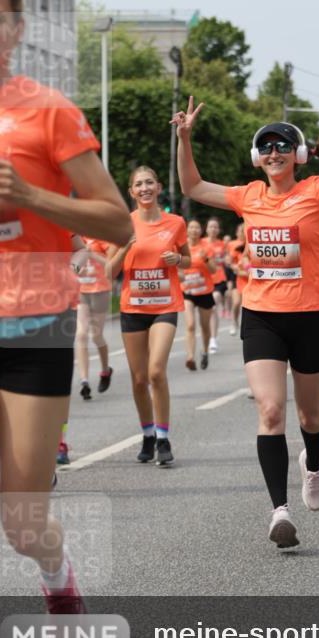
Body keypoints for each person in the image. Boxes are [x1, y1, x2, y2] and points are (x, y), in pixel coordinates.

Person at [0, 0, 132, 638]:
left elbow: (117, 222)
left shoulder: (50, 112)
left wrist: (30, 199)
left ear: (18, 29)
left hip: (35, 326)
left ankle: (56, 573)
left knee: (19, 521)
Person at [173, 79, 319, 549]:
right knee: (270, 411)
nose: (274, 152)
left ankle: (312, 466)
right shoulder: (247, 196)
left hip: (312, 316)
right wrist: (184, 138)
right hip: (263, 317)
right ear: (258, 158)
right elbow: (191, 185)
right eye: (266, 147)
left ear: (298, 155)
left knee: (311, 416)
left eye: (283, 146)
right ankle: (279, 511)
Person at [106, 166, 189, 466]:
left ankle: (164, 438)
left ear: (158, 187)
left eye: (149, 182)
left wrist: (178, 259)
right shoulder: (121, 225)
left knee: (156, 371)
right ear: (131, 191)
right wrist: (125, 246)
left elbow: (189, 259)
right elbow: (108, 271)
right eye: (138, 184)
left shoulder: (176, 222)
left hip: (166, 306)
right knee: (139, 379)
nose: (145, 188)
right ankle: (147, 434)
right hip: (133, 309)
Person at [75, 236, 113, 400]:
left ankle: (105, 370)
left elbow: (112, 265)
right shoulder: (74, 238)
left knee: (96, 335)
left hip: (100, 290)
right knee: (81, 334)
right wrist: (76, 269)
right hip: (81, 290)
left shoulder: (101, 237)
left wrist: (93, 255)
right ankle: (84, 381)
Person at [182, 218, 216, 370]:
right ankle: (190, 356)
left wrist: (206, 259)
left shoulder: (206, 247)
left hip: (204, 291)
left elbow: (214, 270)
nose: (194, 230)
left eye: (197, 228)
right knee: (190, 325)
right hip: (187, 291)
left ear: (200, 231)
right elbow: (177, 266)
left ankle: (205, 351)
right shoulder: (182, 247)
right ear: (187, 230)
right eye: (191, 228)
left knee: (205, 327)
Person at [202, 216, 227, 353]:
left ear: (218, 230)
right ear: (206, 229)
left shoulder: (222, 244)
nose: (213, 229)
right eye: (211, 226)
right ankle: (212, 335)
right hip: (204, 280)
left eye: (215, 227)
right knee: (209, 310)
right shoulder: (201, 243)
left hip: (219, 279)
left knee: (213, 304)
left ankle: (212, 338)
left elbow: (227, 262)